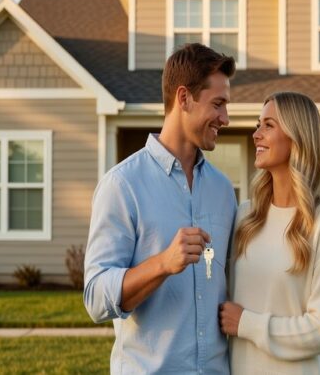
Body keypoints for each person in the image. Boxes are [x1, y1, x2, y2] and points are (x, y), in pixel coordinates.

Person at [84, 43, 237, 374]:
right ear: (184, 98)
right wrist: (163, 264)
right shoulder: (122, 186)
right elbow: (96, 298)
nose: (225, 118)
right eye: (218, 104)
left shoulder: (223, 191)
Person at [219, 91, 320, 375]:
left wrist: (246, 323)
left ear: (296, 137)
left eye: (268, 125)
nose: (256, 134)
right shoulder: (245, 216)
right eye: (257, 124)